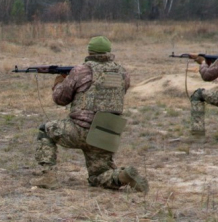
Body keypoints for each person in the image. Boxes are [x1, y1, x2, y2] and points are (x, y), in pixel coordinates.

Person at [31, 36, 148, 193]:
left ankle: (48, 176)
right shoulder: (123, 73)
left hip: (80, 130)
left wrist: (59, 82)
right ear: (108, 51)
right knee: (98, 176)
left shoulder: (81, 70)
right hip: (106, 132)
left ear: (90, 51)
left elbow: (60, 99)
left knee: (45, 130)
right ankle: (122, 176)